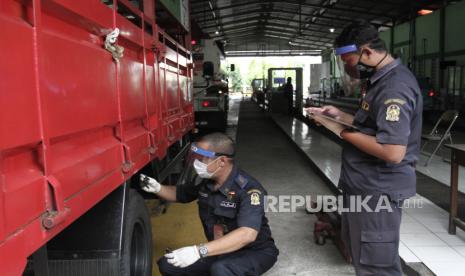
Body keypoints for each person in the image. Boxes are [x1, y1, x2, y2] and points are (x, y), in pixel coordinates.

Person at [305, 20, 422, 276]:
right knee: (362, 258)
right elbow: (370, 125)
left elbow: (393, 151)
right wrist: (337, 116)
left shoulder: (395, 87)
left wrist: (341, 131)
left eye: (348, 61)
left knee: (376, 266)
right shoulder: (378, 81)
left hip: (378, 192)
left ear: (367, 53)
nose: (347, 68)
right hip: (363, 187)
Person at [140, 132, 279, 276]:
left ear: (222, 161)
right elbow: (180, 194)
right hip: (222, 250)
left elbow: (247, 234)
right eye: (195, 158)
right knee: (168, 264)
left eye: (202, 159)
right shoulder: (206, 181)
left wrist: (198, 251)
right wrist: (157, 188)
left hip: (254, 252)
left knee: (221, 269)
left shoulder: (250, 190)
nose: (196, 163)